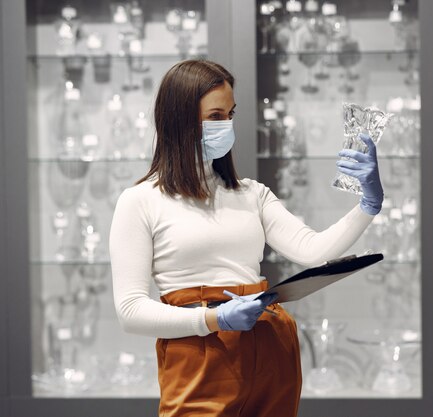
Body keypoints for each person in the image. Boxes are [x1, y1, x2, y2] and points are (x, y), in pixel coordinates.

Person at [109, 59, 384, 417]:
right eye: (216, 116)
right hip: (199, 355)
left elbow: (314, 251)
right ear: (178, 119)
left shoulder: (252, 194)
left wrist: (369, 202)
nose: (227, 125)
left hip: (270, 348)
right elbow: (130, 311)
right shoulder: (141, 201)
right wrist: (215, 320)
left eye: (231, 114)